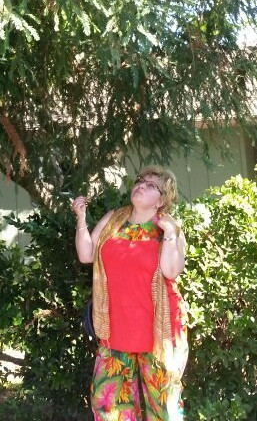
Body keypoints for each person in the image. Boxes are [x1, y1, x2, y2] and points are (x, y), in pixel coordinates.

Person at [71, 166, 188, 421]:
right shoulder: (115, 219)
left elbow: (171, 271)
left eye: (151, 185)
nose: (142, 185)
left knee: (163, 407)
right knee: (109, 405)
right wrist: (81, 218)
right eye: (140, 181)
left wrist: (169, 234)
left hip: (159, 331)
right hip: (117, 326)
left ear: (161, 199)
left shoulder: (169, 228)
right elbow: (86, 254)